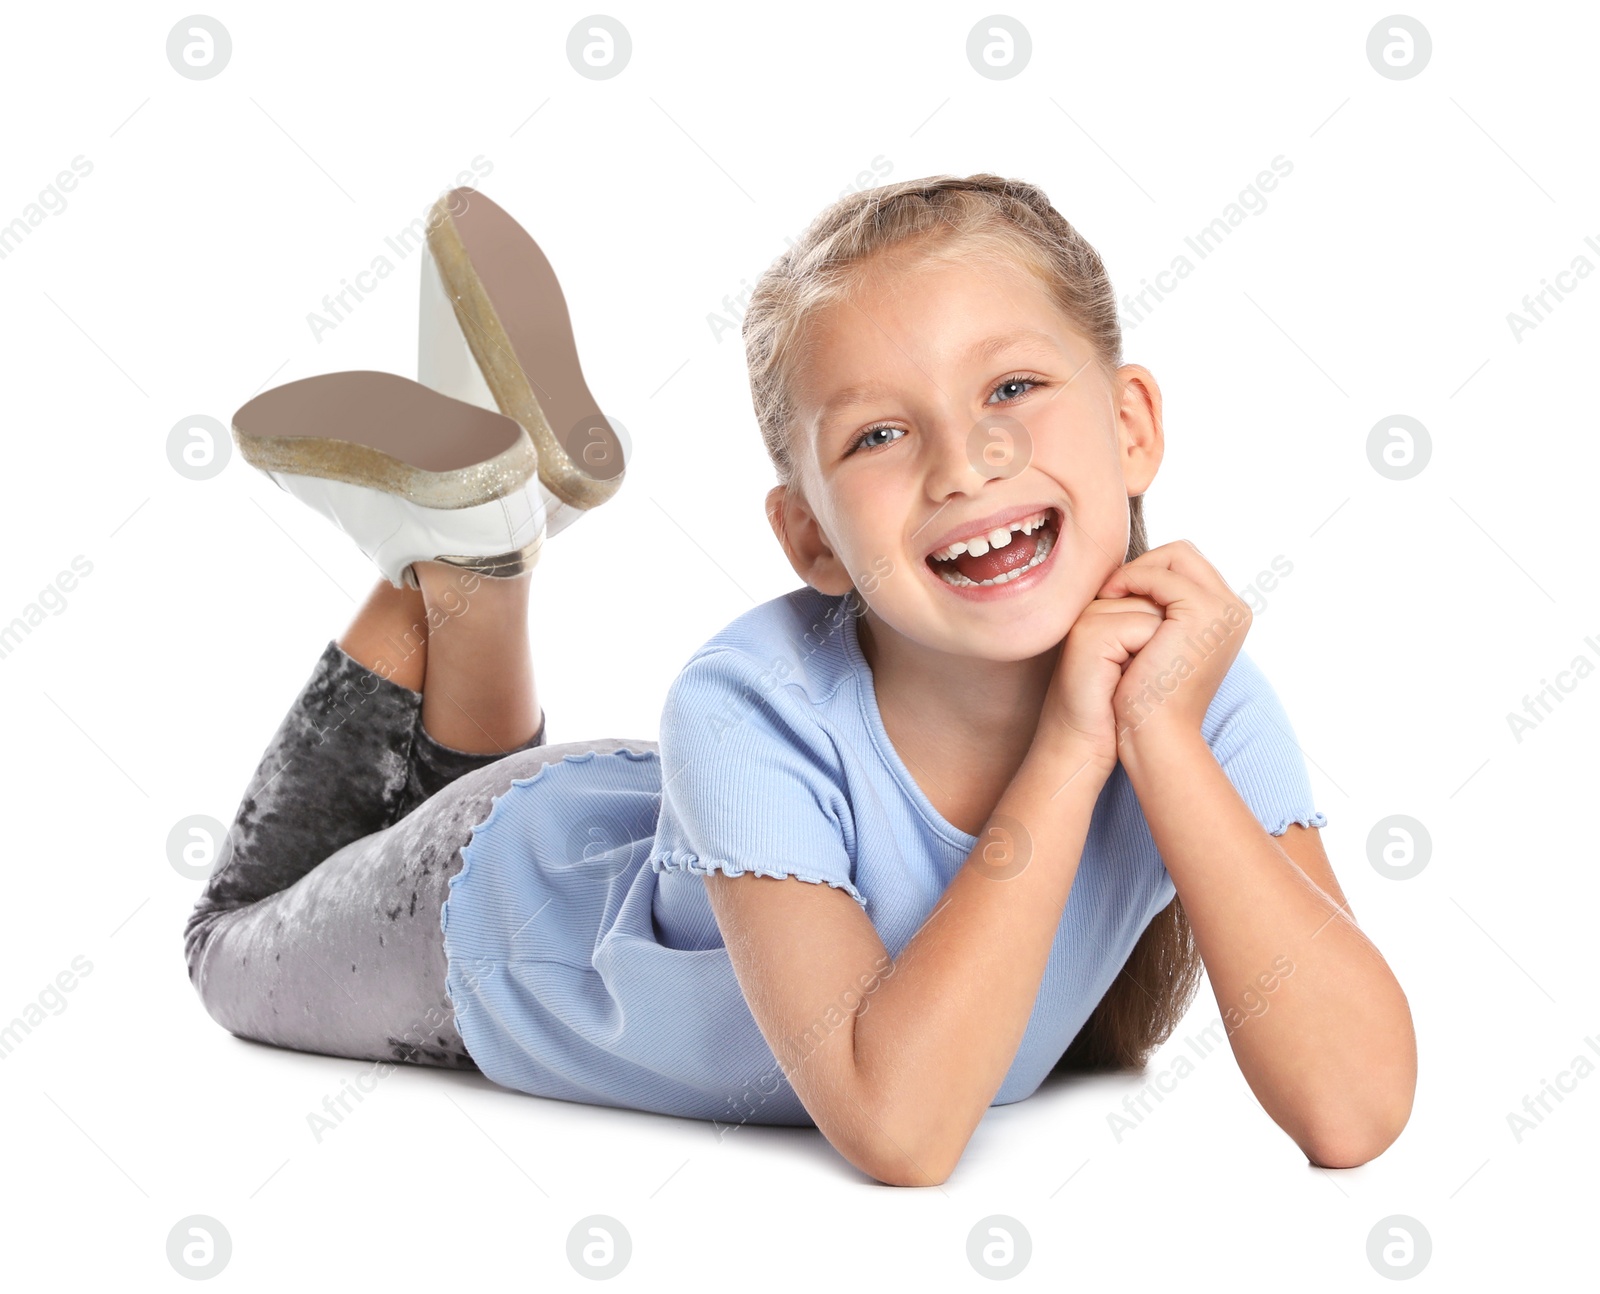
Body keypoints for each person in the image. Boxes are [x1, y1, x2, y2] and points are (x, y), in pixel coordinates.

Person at [183, 174, 1416, 1187]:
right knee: (230, 936)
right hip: (487, 923)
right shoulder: (748, 699)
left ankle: (485, 540)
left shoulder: (1190, 691)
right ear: (811, 538)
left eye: (1012, 388)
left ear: (1132, 423)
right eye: (878, 434)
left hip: (638, 835)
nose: (964, 461)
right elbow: (902, 1127)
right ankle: (462, 564)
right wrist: (1070, 752)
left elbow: (1352, 1109)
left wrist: (1159, 739)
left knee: (446, 794)